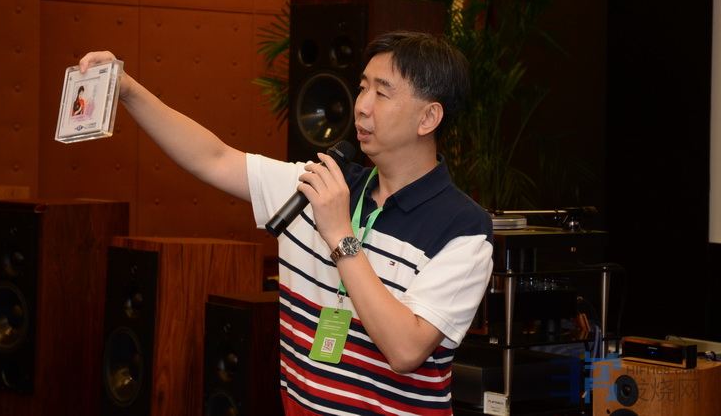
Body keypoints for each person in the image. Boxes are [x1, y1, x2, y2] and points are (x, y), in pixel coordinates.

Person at [79, 30, 493, 416]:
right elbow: (213, 158)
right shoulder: (321, 184)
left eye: (382, 93)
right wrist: (128, 90)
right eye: (363, 87)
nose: (362, 105)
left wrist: (340, 234)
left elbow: (405, 350)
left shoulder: (463, 229)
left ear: (428, 118)